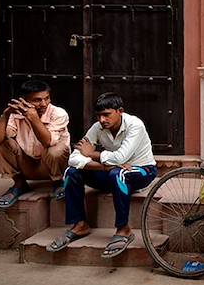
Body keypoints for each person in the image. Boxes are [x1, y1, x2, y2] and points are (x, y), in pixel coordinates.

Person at [46, 92, 157, 259]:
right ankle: (80, 224)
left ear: (120, 111)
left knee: (119, 173)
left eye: (106, 114)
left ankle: (123, 229)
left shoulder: (135, 125)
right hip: (110, 172)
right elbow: (74, 158)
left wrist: (93, 154)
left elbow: (121, 157)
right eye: (99, 115)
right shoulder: (98, 127)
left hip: (142, 171)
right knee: (72, 172)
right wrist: (103, 167)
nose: (102, 120)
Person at [0, 80, 70, 209]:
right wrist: (6, 115)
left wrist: (34, 118)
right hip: (27, 165)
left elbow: (48, 142)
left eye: (47, 98)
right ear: (24, 101)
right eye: (37, 100)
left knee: (56, 149)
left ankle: (58, 183)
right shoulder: (15, 114)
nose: (44, 104)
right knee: (0, 143)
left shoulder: (58, 113)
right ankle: (19, 184)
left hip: (50, 166)